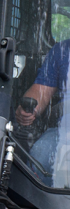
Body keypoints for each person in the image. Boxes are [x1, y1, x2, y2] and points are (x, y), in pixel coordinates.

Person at [16, 39, 70, 185]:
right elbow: (42, 89)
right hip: (63, 130)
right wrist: (29, 107)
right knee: (40, 153)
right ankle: (36, 206)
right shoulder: (62, 50)